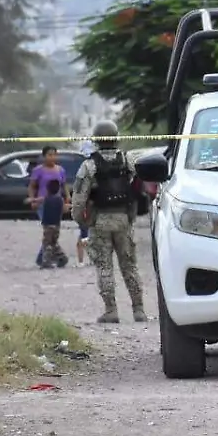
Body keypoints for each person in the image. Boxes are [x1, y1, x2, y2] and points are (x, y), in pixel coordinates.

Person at [71, 120, 146, 323]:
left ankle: (111, 310)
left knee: (104, 266)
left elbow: (78, 198)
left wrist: (81, 221)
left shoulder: (89, 165)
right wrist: (132, 215)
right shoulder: (127, 160)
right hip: (123, 219)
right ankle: (139, 309)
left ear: (96, 140)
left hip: (101, 221)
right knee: (130, 265)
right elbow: (138, 189)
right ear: (116, 138)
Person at [28, 146, 69, 267]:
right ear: (44, 156)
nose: (52, 157)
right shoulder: (38, 170)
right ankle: (55, 258)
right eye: (49, 155)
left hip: (56, 203)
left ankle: (45, 258)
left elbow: (64, 185)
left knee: (53, 231)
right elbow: (32, 186)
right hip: (43, 204)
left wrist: (67, 198)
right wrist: (32, 200)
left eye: (54, 155)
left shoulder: (60, 170)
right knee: (49, 230)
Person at [39, 179, 69, 269]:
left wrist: (32, 200)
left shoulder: (46, 199)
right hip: (57, 225)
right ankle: (62, 257)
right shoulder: (60, 199)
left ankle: (47, 261)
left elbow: (39, 201)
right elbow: (64, 210)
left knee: (47, 243)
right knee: (54, 242)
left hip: (48, 225)